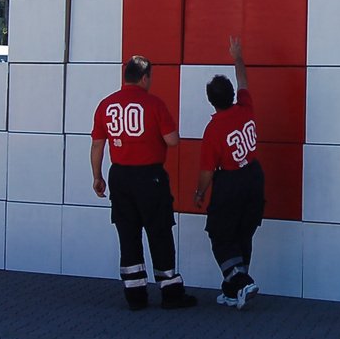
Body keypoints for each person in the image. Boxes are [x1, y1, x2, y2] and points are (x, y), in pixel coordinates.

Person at [89, 56, 196, 310]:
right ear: (145, 77)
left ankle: (135, 294)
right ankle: (170, 292)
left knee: (128, 233)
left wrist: (97, 176)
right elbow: (172, 140)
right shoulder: (154, 104)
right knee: (159, 231)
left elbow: (96, 144)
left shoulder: (106, 105)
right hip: (150, 176)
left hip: (120, 177)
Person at [195, 37, 264, 310]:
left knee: (220, 233)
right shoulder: (246, 108)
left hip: (231, 181)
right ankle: (233, 291)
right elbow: (244, 80)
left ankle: (241, 281)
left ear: (211, 101)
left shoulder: (213, 130)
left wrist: (200, 193)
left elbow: (207, 171)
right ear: (232, 96)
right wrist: (237, 56)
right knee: (243, 233)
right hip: (254, 177)